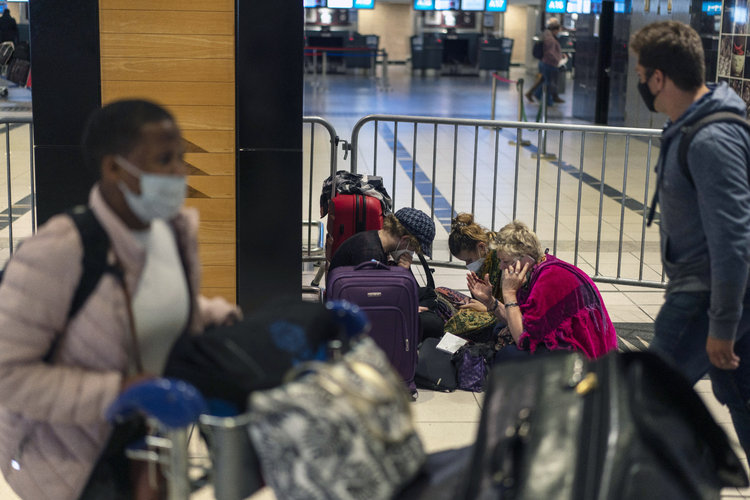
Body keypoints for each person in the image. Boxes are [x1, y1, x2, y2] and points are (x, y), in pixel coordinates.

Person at [0, 99, 241, 500]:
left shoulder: (172, 231)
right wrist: (118, 393)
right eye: (165, 160)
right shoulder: (59, 250)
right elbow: (6, 375)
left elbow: (149, 308)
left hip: (149, 450)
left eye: (181, 156)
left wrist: (228, 318)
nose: (180, 172)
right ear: (113, 168)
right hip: (73, 469)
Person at [631, 21, 750, 458]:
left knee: (643, 401)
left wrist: (721, 324)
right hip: (725, 293)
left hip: (704, 296)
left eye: (642, 74)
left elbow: (734, 238)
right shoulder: (694, 124)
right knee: (740, 396)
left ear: (659, 77)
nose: (641, 83)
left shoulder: (710, 139)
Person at [468, 220, 617, 359]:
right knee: (499, 329)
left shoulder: (549, 278)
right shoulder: (536, 268)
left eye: (505, 261)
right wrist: (490, 301)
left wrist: (509, 293)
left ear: (525, 259)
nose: (501, 267)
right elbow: (522, 320)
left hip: (585, 357)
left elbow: (523, 340)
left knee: (508, 355)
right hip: (568, 346)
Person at [327, 207, 440, 340]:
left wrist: (403, 272)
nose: (412, 252)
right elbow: (373, 301)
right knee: (435, 325)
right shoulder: (369, 253)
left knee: (428, 294)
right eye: (413, 248)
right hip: (354, 315)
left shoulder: (376, 239)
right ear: (405, 240)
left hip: (364, 301)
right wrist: (407, 307)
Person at [525, 17, 566, 106]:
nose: (559, 32)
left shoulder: (546, 36)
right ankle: (545, 99)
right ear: (555, 30)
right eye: (558, 30)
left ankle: (538, 95)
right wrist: (558, 60)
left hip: (545, 62)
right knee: (548, 82)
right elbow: (550, 53)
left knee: (544, 80)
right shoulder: (550, 39)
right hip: (549, 63)